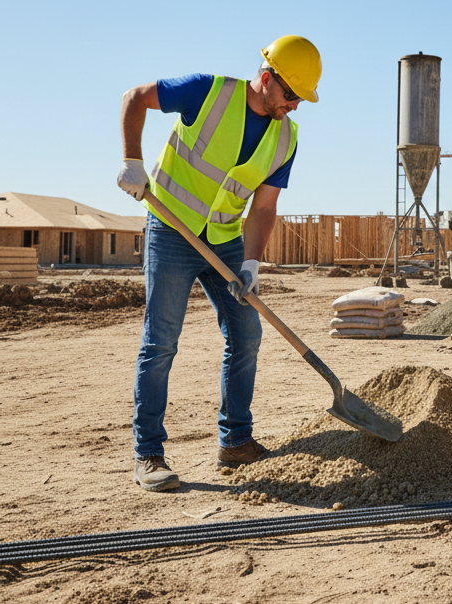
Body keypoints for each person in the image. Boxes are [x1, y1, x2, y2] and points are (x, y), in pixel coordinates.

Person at [116, 35, 321, 492]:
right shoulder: (206, 91)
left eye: (300, 99)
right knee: (161, 342)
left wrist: (251, 263)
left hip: (225, 240)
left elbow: (264, 208)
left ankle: (235, 442)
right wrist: (133, 162)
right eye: (290, 95)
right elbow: (135, 98)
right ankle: (148, 455)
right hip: (171, 229)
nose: (293, 106)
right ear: (267, 79)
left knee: (246, 333)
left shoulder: (286, 139)